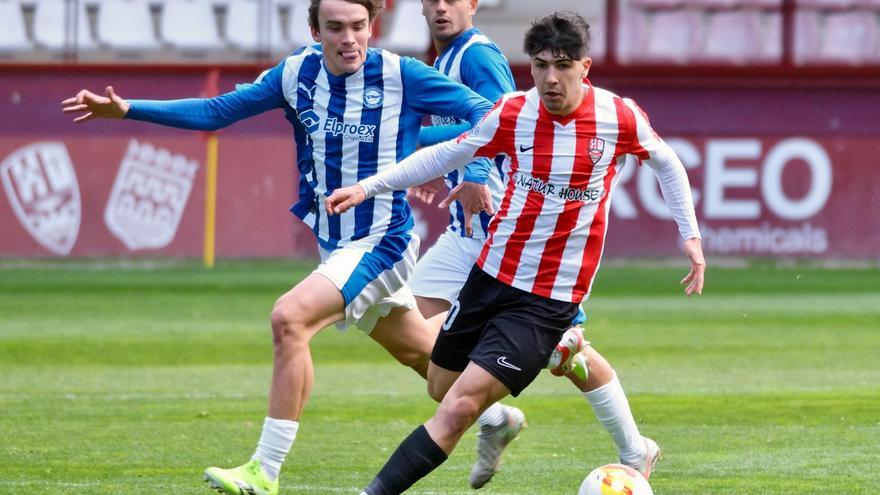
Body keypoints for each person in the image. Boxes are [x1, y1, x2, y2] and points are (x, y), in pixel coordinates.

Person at [60, 1, 505, 494]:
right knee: (421, 355)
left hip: (382, 241)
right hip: (335, 244)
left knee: (289, 318)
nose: (349, 38)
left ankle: (264, 470)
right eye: (335, 28)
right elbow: (215, 112)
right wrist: (127, 109)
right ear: (315, 30)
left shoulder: (403, 75)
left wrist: (448, 162)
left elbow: (490, 112)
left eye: (359, 26)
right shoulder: (296, 73)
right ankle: (498, 415)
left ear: (371, 27)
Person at [325, 10, 706, 494]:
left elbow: (668, 164)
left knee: (458, 409)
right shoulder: (512, 112)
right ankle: (553, 374)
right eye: (541, 65)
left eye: (563, 66)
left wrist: (689, 236)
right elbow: (449, 154)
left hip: (548, 296)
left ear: (584, 68)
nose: (551, 78)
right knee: (440, 386)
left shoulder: (617, 116)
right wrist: (369, 186)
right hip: (490, 274)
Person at [408, 0, 668, 487]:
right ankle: (491, 414)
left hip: (500, 222)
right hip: (468, 227)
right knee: (410, 315)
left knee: (561, 347)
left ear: (473, 4)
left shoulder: (476, 57)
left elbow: (498, 125)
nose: (441, 8)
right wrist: (429, 160)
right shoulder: (441, 58)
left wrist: (476, 175)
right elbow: (466, 132)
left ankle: (632, 447)